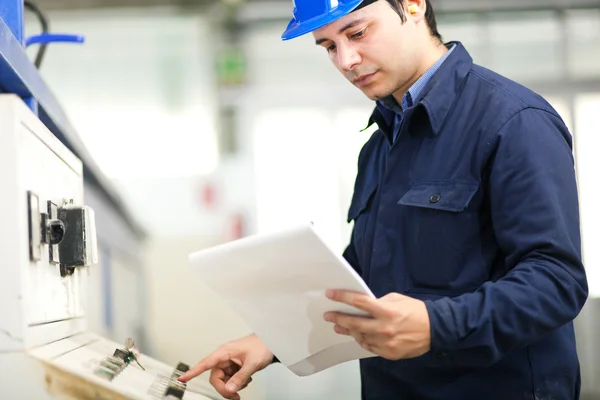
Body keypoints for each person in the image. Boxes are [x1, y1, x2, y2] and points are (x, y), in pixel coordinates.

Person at [178, 0, 589, 399]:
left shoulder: (513, 122)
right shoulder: (379, 145)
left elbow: (556, 282)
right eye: (329, 47)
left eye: (357, 33)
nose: (346, 61)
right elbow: (364, 276)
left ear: (412, 6)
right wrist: (273, 341)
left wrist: (436, 324)